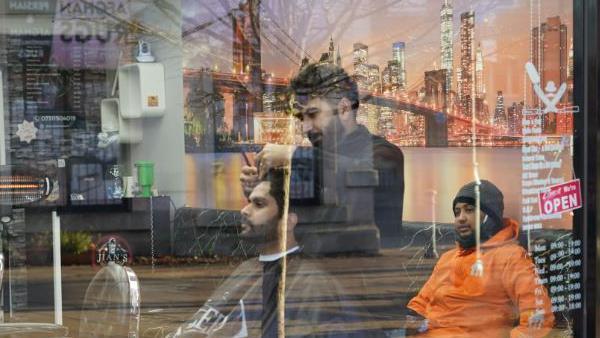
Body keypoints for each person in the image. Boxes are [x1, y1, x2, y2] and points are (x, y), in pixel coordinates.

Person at [170, 168, 359, 337]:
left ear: (288, 221)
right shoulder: (248, 269)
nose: (244, 210)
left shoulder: (310, 285)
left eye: (259, 204)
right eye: (248, 202)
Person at [241, 62, 404, 246]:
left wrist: (293, 154)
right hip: (315, 268)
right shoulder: (315, 162)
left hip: (372, 269)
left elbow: (365, 174)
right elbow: (288, 213)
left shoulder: (386, 154)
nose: (305, 127)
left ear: (344, 109)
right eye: (301, 118)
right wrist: (259, 191)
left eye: (312, 114)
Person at [405, 180, 554, 337]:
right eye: (457, 212)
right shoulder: (448, 258)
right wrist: (408, 323)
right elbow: (419, 305)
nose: (460, 218)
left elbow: (538, 315)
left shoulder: (511, 257)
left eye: (469, 210)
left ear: (490, 217)